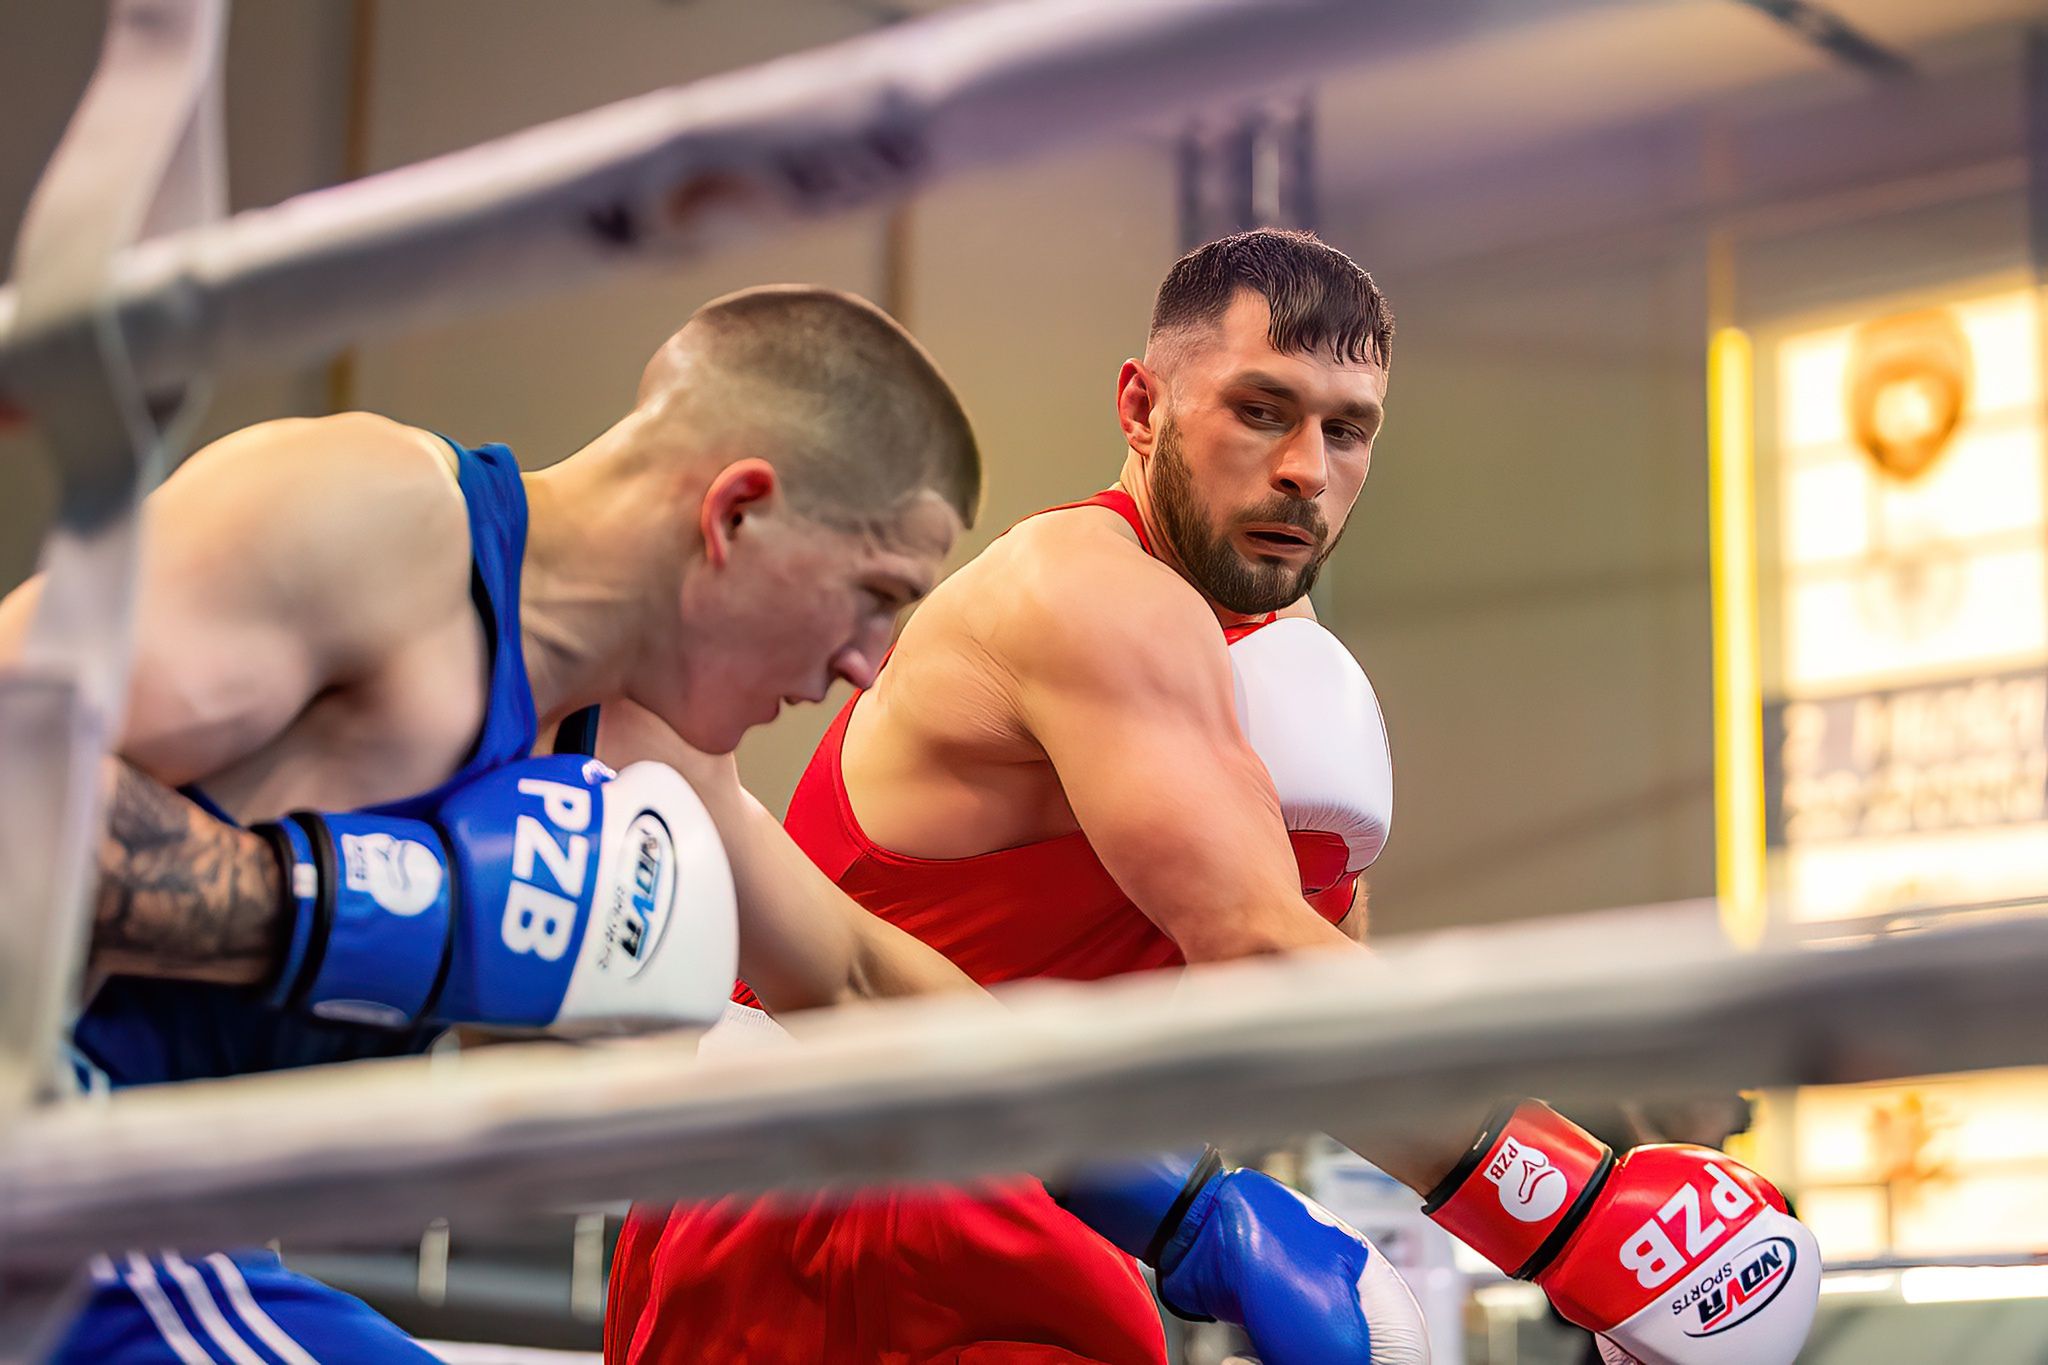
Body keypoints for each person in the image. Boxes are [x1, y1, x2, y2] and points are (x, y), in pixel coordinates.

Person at [608, 231, 1821, 1365]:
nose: (1305, 470)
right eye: (1261, 411)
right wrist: (1582, 1214)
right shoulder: (1084, 594)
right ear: (1140, 406)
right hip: (833, 1194)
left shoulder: (1283, 675)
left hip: (1041, 1182)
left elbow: (1316, 1019)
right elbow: (1249, 949)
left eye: (1349, 431)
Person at [0, 285, 988, 1363]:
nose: (865, 662)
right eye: (876, 592)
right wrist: (369, 911)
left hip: (162, 1219)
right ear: (736, 511)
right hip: (48, 1149)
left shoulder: (641, 752)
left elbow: (848, 978)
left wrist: (1159, 1187)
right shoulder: (378, 521)